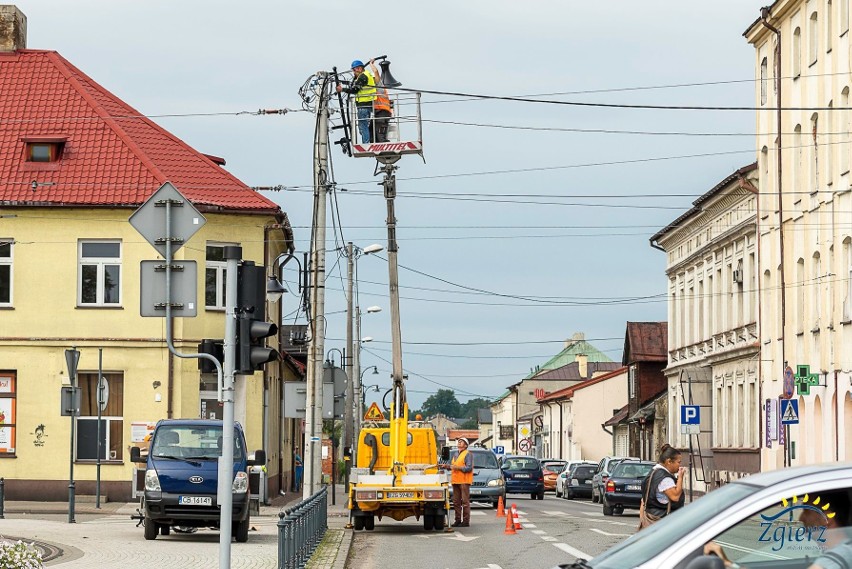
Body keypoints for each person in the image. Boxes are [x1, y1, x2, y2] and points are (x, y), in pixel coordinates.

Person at [704, 490, 852, 569]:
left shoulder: (840, 556)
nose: (801, 519)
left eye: (807, 511)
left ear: (827, 518)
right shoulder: (838, 551)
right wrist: (730, 564)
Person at [638, 444, 686, 529]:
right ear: (669, 461)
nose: (679, 465)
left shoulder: (653, 472)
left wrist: (642, 520)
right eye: (678, 462)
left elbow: (643, 501)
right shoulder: (664, 478)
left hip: (650, 517)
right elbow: (675, 496)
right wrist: (680, 477)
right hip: (662, 520)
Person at [336, 59, 377, 144]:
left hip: (363, 105)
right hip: (368, 104)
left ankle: (366, 143)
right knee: (363, 126)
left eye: (354, 70)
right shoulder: (366, 75)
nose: (354, 72)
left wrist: (342, 89)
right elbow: (356, 84)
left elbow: (354, 90)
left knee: (363, 125)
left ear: (359, 68)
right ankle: (368, 140)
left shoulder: (363, 76)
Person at [444, 437, 473, 527]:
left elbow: (468, 468)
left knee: (465, 502)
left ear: (466, 445)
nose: (459, 442)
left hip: (464, 481)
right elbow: (453, 466)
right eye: (459, 441)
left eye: (462, 442)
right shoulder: (456, 454)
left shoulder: (468, 454)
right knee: (456, 502)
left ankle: (465, 521)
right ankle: (457, 520)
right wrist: (447, 466)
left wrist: (457, 468)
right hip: (456, 481)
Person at [368, 60, 393, 143]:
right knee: (371, 129)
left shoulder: (379, 86)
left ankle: (384, 144)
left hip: (382, 112)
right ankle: (374, 143)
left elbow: (375, 72)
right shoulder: (374, 89)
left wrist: (371, 64)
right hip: (380, 112)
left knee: (380, 133)